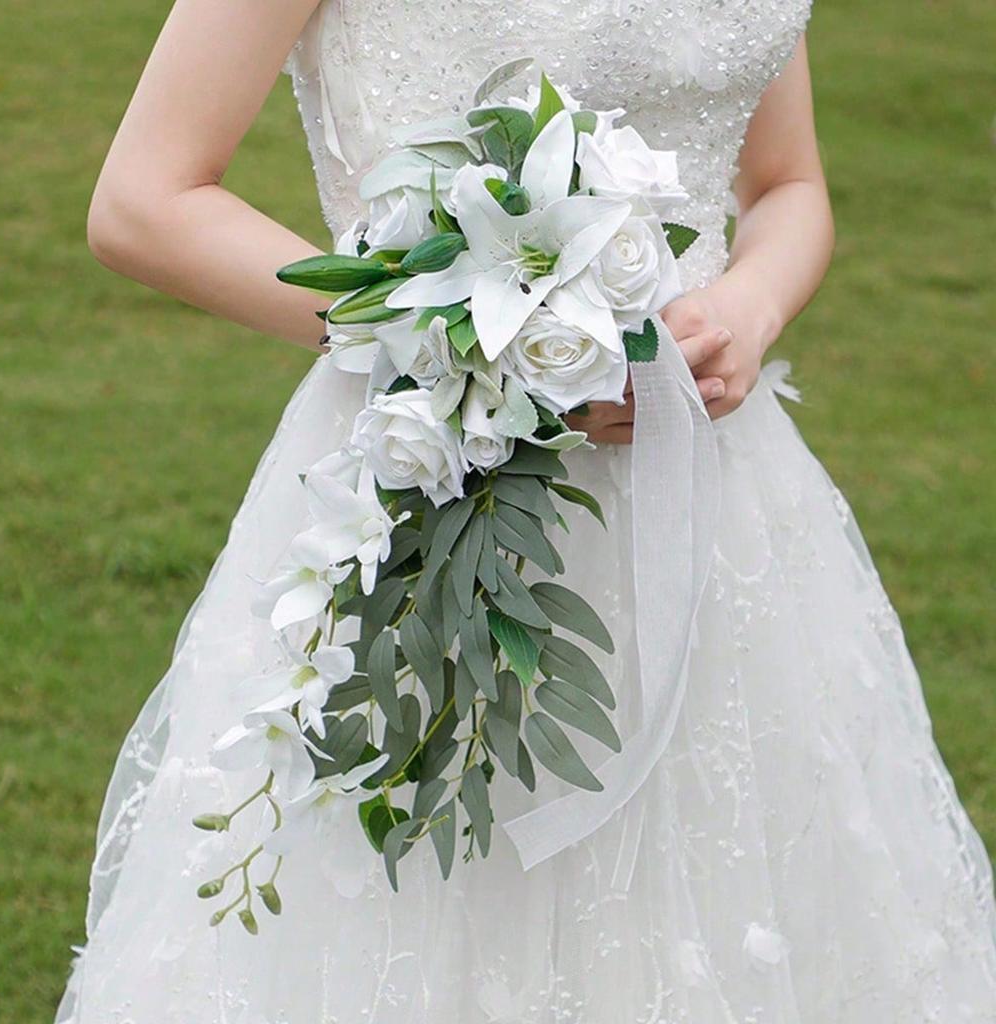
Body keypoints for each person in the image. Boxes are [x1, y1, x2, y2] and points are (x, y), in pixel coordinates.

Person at [60, 1, 996, 1021]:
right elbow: (144, 201)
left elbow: (787, 185)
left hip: (716, 513)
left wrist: (745, 308)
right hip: (435, 482)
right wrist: (461, 346)